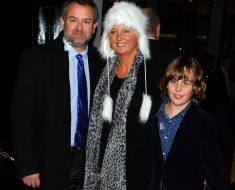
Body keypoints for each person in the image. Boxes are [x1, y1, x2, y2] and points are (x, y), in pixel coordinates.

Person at [10, 0, 103, 189]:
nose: (79, 28)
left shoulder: (103, 63)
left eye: (86, 22)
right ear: (62, 22)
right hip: (47, 163)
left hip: (89, 163)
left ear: (94, 27)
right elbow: (21, 116)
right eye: (73, 20)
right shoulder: (35, 59)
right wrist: (27, 166)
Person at [83, 2, 159, 190]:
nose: (119, 37)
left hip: (136, 170)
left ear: (138, 33)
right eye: (113, 31)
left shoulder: (153, 72)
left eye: (126, 30)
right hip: (98, 165)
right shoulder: (100, 68)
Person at [148, 56, 223, 190]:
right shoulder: (151, 114)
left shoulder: (205, 122)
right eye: (173, 81)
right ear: (166, 83)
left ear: (195, 87)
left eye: (186, 83)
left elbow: (213, 171)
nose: (178, 88)